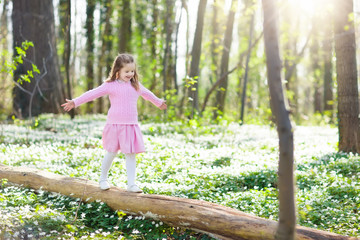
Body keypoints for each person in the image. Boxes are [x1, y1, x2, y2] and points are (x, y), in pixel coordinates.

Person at [61, 53, 167, 193]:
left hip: (130, 125)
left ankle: (131, 184)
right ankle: (103, 179)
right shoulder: (110, 85)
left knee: (131, 154)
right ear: (118, 70)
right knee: (111, 152)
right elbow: (92, 93)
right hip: (114, 125)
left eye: (132, 71)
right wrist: (75, 102)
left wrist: (159, 102)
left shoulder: (135, 86)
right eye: (126, 71)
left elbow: (148, 95)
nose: (130, 74)